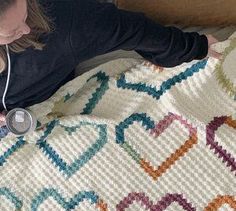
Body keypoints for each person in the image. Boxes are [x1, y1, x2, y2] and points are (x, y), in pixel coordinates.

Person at [0, 0, 220, 131]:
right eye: (12, 31)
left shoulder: (64, 27)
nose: (26, 29)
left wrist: (195, 47)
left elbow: (132, 30)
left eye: (25, 11)